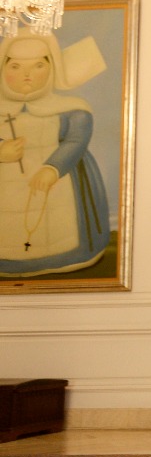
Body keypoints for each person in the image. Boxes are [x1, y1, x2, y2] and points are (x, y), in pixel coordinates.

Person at [0, 30, 111, 276]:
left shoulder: (72, 110)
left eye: (38, 65)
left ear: (52, 69)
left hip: (58, 186)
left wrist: (53, 168)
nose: (26, 75)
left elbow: (75, 140)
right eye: (16, 66)